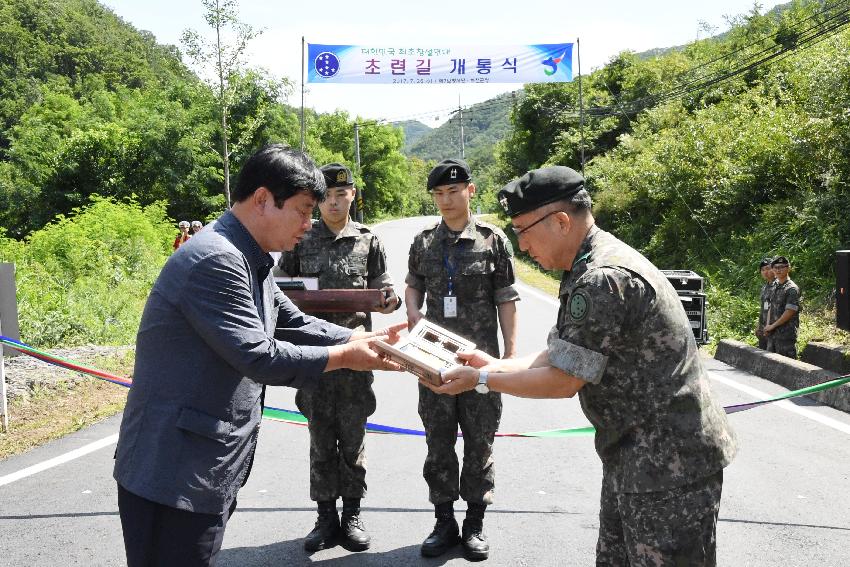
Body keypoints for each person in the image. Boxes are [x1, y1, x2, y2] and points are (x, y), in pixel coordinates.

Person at [424, 166, 737, 566]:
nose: (520, 245)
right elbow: (562, 353)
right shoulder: (586, 265)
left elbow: (563, 380)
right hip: (635, 455)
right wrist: (494, 365)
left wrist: (481, 379)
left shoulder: (603, 278)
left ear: (560, 221)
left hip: (669, 466)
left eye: (523, 230)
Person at [113, 144, 405, 567]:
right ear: (263, 199)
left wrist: (366, 341)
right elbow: (258, 356)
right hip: (173, 471)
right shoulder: (217, 259)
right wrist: (347, 355)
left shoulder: (250, 258)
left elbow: (293, 322)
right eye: (304, 210)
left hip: (201, 468)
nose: (309, 224)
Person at [278, 162, 402, 553]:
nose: (333, 203)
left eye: (340, 195)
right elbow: (280, 287)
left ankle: (352, 514)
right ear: (318, 200)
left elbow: (384, 286)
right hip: (313, 357)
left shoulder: (368, 240)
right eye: (326, 197)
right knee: (319, 439)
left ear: (352, 196)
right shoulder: (301, 238)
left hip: (357, 358)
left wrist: (389, 300)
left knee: (352, 438)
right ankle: (324, 515)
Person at [405, 158, 520, 561]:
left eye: (453, 192)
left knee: (479, 442)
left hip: (479, 363)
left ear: (470, 190)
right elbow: (413, 286)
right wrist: (413, 312)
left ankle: (474, 523)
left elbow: (506, 299)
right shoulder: (423, 242)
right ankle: (443, 521)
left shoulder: (493, 240)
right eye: (438, 194)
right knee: (437, 443)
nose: (445, 200)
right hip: (434, 360)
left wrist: (507, 357)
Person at [764, 256, 801, 358]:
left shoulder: (791, 289)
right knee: (770, 365)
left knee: (787, 366)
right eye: (775, 267)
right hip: (773, 334)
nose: (778, 270)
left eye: (781, 267)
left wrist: (773, 326)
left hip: (785, 335)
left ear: (788, 268)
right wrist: (768, 326)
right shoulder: (775, 286)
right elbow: (770, 307)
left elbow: (790, 312)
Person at [756, 257, 775, 349]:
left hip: (774, 328)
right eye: (763, 270)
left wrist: (769, 326)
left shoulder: (779, 286)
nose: (765, 272)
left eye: (768, 268)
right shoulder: (765, 287)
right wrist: (759, 326)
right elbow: (764, 308)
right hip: (763, 327)